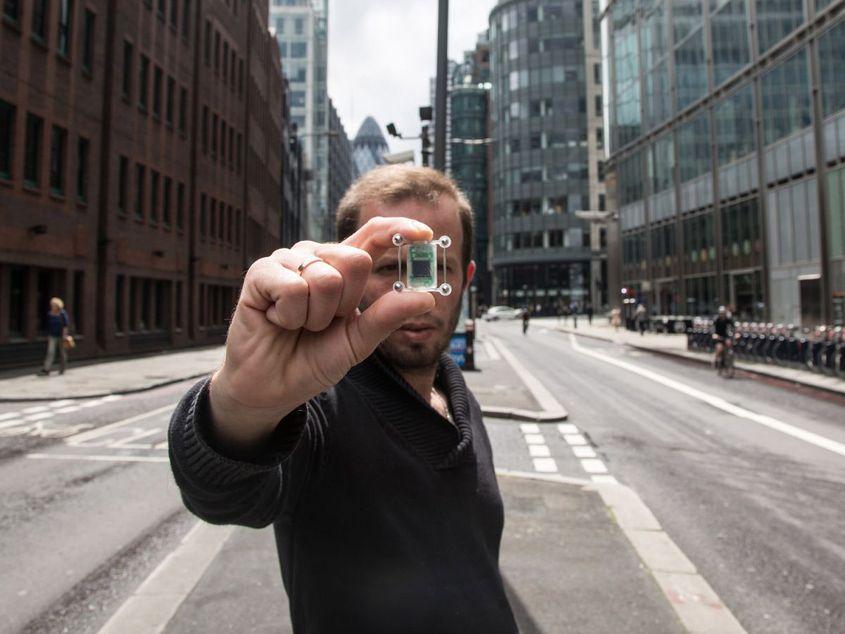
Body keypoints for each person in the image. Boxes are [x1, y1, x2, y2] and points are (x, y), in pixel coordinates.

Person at [168, 165, 517, 633]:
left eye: (437, 266)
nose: (420, 294)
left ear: (466, 277)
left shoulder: (458, 395)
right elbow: (224, 494)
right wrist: (241, 405)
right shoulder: (316, 406)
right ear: (343, 268)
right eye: (392, 267)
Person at [39, 297, 70, 376]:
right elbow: (48, 325)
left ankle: (62, 368)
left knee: (62, 353)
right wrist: (47, 334)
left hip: (61, 336)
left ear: (57, 305)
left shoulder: (62, 314)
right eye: (51, 305)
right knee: (50, 352)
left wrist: (64, 336)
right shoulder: (50, 314)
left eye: (53, 305)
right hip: (52, 336)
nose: (52, 306)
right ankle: (46, 369)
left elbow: (65, 325)